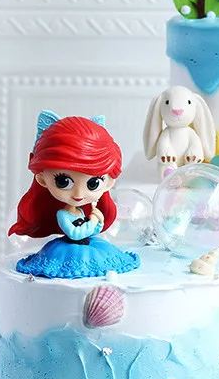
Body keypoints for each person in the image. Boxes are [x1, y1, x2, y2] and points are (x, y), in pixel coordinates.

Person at [10, 112, 140, 279]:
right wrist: (92, 221)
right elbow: (74, 233)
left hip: (92, 249)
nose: (78, 194)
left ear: (109, 183)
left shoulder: (83, 211)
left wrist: (98, 220)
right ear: (42, 179)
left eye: (93, 183)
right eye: (63, 182)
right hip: (66, 254)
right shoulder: (63, 214)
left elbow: (92, 231)